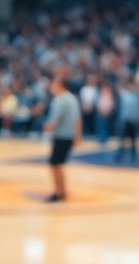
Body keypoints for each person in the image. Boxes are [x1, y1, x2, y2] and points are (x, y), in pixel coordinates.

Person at [41, 74, 81, 202]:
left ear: (59, 85)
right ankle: (61, 190)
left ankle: (59, 191)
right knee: (59, 164)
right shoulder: (72, 99)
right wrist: (78, 136)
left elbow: (53, 122)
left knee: (55, 164)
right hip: (69, 136)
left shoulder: (59, 100)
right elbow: (78, 119)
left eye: (54, 83)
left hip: (60, 135)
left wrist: (45, 127)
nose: (52, 86)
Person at [115, 76, 139, 162]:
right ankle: (120, 155)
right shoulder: (124, 95)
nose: (132, 87)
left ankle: (134, 156)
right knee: (122, 139)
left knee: (134, 140)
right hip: (125, 120)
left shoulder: (138, 96)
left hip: (134, 120)